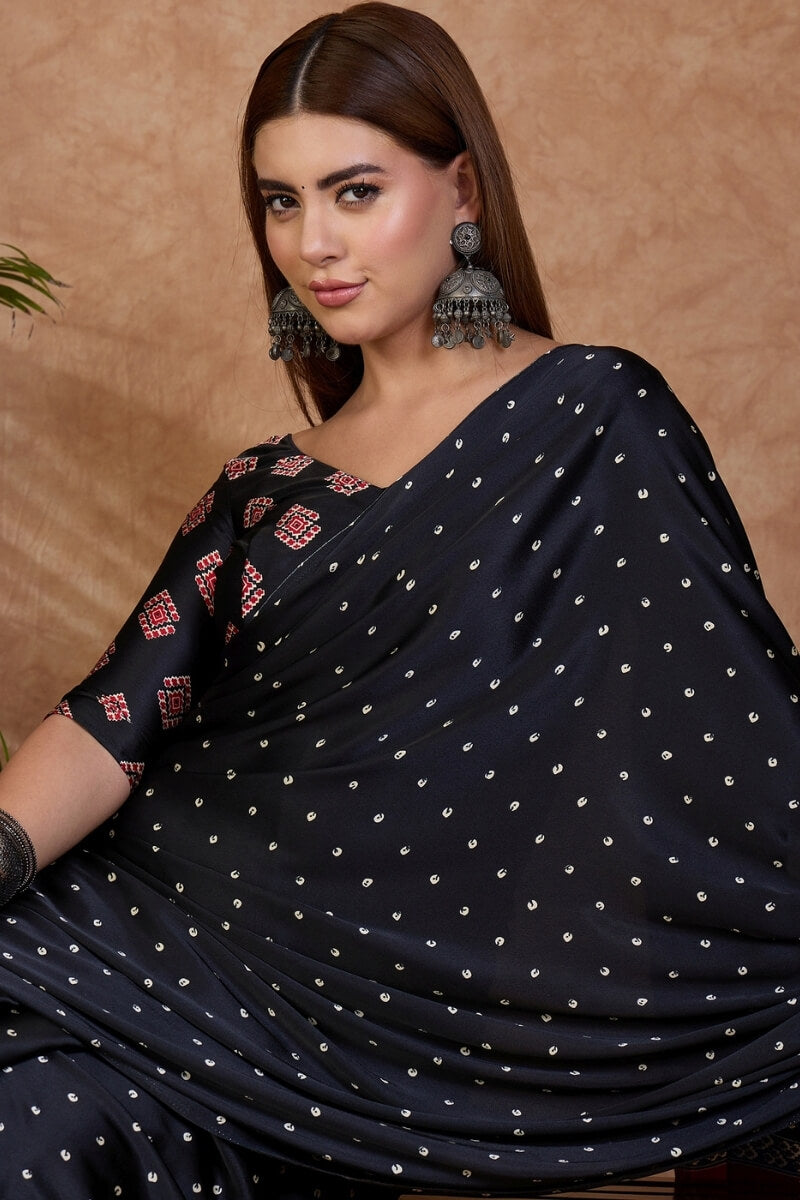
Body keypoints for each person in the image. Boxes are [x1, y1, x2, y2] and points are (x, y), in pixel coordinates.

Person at [1, 4, 799, 1196]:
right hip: (158, 953)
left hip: (372, 1031)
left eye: (356, 191)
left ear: (461, 188)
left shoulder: (592, 420)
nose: (312, 242)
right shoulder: (264, 487)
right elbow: (113, 719)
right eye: (280, 201)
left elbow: (727, 739)